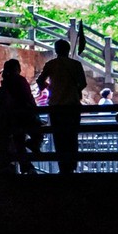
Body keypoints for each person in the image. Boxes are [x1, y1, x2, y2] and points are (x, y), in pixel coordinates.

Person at [36, 38, 88, 174]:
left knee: (59, 138)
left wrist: (49, 87)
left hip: (56, 106)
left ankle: (63, 168)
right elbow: (83, 83)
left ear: (56, 50)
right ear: (68, 50)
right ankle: (72, 167)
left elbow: (40, 81)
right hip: (72, 105)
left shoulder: (51, 64)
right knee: (72, 137)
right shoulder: (76, 65)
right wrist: (75, 90)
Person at [0, 58, 43, 174]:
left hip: (12, 117)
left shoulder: (5, 82)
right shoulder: (20, 80)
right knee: (38, 132)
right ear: (17, 68)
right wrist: (33, 108)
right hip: (24, 114)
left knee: (19, 142)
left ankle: (26, 167)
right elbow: (27, 96)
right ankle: (29, 159)